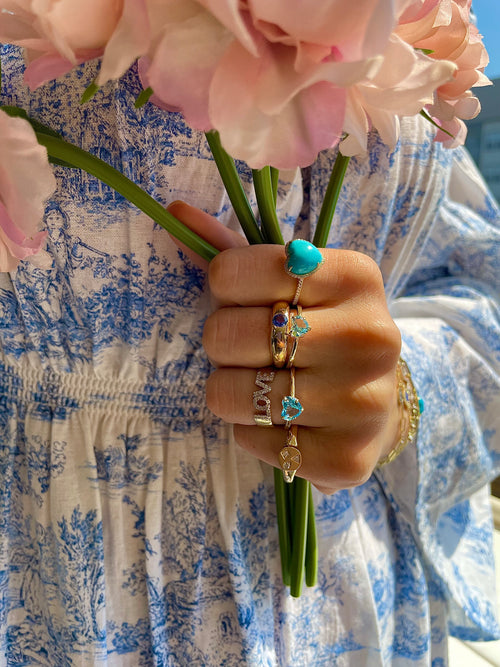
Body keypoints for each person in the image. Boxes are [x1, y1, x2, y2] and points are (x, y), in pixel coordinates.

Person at [0, 44, 499, 667]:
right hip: (39, 571)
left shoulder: (406, 30)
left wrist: (394, 394)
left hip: (340, 595)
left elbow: (477, 283)